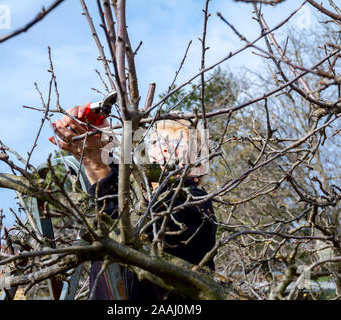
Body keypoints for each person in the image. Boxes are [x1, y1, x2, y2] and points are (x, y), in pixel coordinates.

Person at [49, 103, 217, 300]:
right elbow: (119, 200)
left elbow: (129, 226)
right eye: (157, 143)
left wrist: (97, 161)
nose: (165, 150)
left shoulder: (195, 202)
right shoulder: (136, 193)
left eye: (178, 144)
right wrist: (97, 150)